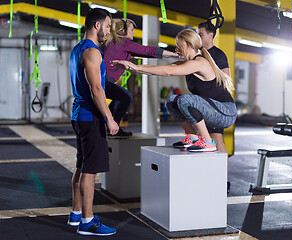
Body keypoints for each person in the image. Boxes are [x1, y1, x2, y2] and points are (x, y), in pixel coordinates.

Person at [112, 29, 237, 152]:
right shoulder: (187, 63)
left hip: (226, 111)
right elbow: (162, 68)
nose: (176, 49)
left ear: (189, 45)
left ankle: (208, 142)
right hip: (210, 109)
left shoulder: (200, 62)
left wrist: (134, 66)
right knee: (171, 101)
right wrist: (132, 67)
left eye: (179, 46)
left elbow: (169, 72)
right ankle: (193, 137)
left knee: (184, 100)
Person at [67, 8, 118, 236]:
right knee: (90, 172)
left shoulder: (77, 49)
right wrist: (110, 118)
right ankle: (87, 222)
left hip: (78, 115)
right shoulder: (92, 51)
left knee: (81, 166)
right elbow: (96, 88)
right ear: (97, 25)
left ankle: (76, 214)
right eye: (107, 26)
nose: (108, 31)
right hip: (90, 117)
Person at [101, 18, 177, 137]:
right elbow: (147, 50)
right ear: (124, 31)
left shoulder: (111, 42)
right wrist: (173, 54)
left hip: (100, 80)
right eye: (132, 30)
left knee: (118, 97)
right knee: (126, 96)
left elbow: (142, 53)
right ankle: (113, 127)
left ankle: (108, 124)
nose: (134, 32)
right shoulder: (124, 43)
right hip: (104, 81)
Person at [198, 21, 232, 192]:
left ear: (210, 35)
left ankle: (223, 181)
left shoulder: (217, 54)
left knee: (217, 139)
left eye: (201, 34)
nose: (198, 37)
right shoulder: (199, 54)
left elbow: (225, 79)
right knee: (204, 140)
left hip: (215, 104)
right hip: (202, 104)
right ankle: (208, 177)